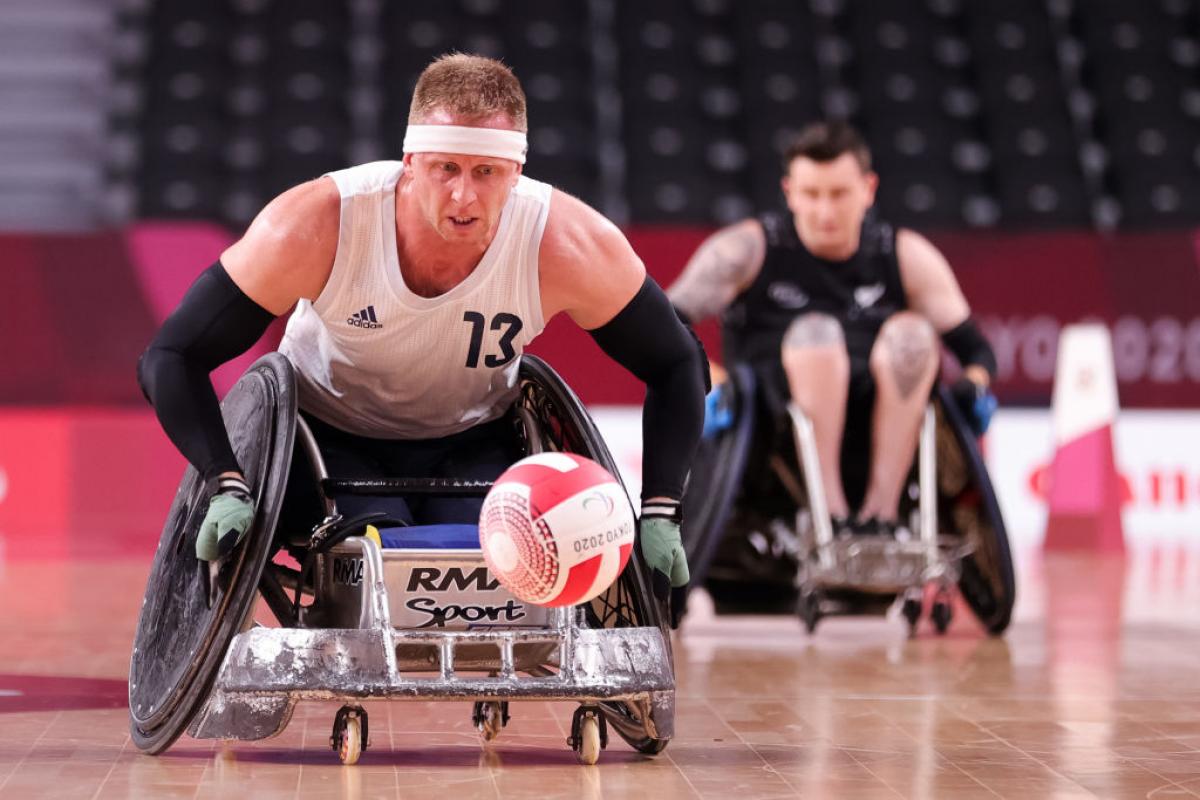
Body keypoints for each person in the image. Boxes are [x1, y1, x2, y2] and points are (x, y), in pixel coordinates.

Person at [137, 53, 703, 607]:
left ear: (516, 172)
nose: (463, 195)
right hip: (325, 436)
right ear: (409, 162)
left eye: (485, 173)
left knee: (481, 570)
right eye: (445, 169)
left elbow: (678, 362)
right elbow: (171, 356)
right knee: (380, 563)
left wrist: (660, 507)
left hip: (472, 442)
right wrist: (225, 480)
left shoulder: (569, 244)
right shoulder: (319, 224)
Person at [668, 120, 996, 533]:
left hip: (876, 416)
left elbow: (975, 350)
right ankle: (833, 518)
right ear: (790, 193)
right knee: (817, 335)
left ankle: (881, 517)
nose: (825, 211)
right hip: (774, 425)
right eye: (812, 194)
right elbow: (666, 323)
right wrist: (711, 378)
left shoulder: (907, 256)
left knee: (912, 335)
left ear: (868, 189)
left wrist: (975, 384)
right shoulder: (744, 250)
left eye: (839, 194)